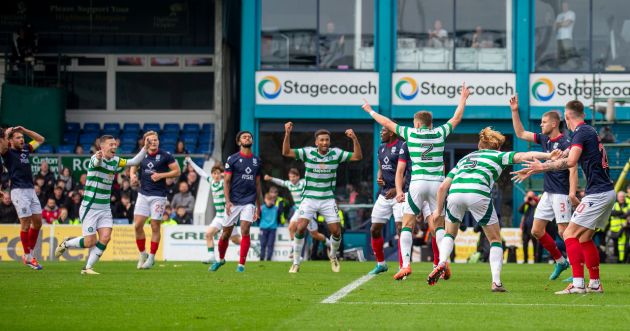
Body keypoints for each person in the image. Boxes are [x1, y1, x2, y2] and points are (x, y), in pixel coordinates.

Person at [429, 127, 560, 291]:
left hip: (455, 194)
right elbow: (523, 156)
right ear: (497, 147)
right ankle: (496, 282)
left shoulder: (465, 159)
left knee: (449, 233)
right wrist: (548, 155)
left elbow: (442, 188)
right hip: (477, 193)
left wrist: (437, 211)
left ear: (479, 146)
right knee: (495, 240)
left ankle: (442, 262)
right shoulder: (498, 155)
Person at [361, 83, 470, 280]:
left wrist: (370, 111)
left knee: (407, 224)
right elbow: (457, 117)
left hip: (417, 183)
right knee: (438, 225)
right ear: (431, 123)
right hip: (437, 185)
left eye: (414, 122)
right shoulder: (440, 133)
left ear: (418, 123)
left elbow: (386, 122)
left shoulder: (410, 134)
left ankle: (407, 265)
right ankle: (443, 262)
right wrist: (463, 98)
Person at [513, 100, 616, 294]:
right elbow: (569, 154)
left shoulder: (580, 132)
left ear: (567, 117)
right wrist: (556, 156)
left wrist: (541, 167)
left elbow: (571, 162)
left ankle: (577, 284)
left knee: (569, 234)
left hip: (598, 193)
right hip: (605, 192)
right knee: (585, 238)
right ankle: (594, 284)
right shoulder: (589, 131)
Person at [55, 135, 150, 274]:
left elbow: (134, 161)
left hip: (105, 208)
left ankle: (87, 268)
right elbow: (97, 162)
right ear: (102, 147)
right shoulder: (95, 158)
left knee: (105, 237)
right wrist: (99, 157)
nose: (114, 146)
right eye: (111, 144)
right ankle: (66, 243)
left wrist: (145, 147)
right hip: (90, 207)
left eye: (115, 144)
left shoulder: (116, 160)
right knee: (89, 242)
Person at [510, 95, 577, 278]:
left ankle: (576, 269)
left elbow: (572, 168)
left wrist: (572, 192)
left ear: (554, 124)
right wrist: (515, 111)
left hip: (562, 193)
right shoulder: (545, 140)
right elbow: (521, 134)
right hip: (548, 193)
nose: (541, 125)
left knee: (564, 232)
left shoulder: (566, 143)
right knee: (536, 230)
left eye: (544, 122)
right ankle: (561, 262)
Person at [283, 122, 362, 273]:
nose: (324, 142)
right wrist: (287, 133)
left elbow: (357, 156)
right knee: (300, 228)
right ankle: (296, 262)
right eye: (322, 140)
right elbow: (286, 152)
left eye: (327, 140)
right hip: (309, 198)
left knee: (336, 232)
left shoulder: (336, 153)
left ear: (329, 142)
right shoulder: (308, 153)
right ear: (316, 142)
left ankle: (333, 256)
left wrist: (354, 139)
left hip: (327, 199)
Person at [210, 131, 263, 273]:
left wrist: (259, 206)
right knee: (225, 234)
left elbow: (258, 185)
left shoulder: (257, 160)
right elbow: (226, 182)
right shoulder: (232, 159)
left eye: (250, 137)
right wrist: (227, 202)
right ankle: (221, 259)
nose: (248, 138)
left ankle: (241, 265)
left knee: (245, 229)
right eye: (244, 137)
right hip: (234, 201)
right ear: (239, 141)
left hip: (249, 201)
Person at [130, 131, 181, 269]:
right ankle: (143, 254)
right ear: (145, 142)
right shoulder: (142, 154)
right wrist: (132, 175)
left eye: (155, 140)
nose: (153, 142)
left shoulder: (166, 155)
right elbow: (134, 164)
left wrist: (161, 175)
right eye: (150, 140)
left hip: (158, 196)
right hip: (143, 194)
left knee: (154, 226)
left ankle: (152, 257)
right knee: (137, 225)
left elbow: (177, 171)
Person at [2, 126, 45, 270]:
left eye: (22, 137)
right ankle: (28, 256)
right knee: (25, 223)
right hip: (18, 190)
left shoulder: (26, 148)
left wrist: (25, 130)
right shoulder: (7, 152)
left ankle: (29, 255)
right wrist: (7, 135)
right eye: (18, 138)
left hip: (30, 190)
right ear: (11, 141)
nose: (22, 140)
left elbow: (41, 139)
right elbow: (2, 146)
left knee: (38, 223)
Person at [367, 127, 408, 275]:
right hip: (384, 194)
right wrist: (380, 176)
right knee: (374, 229)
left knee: (400, 229)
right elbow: (380, 166)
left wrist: (398, 189)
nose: (380, 133)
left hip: (399, 195)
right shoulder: (381, 147)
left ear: (391, 132)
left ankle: (403, 266)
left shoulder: (403, 146)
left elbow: (406, 171)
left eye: (383, 131)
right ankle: (381, 264)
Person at [185, 158, 241, 266]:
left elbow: (233, 178)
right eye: (214, 173)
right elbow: (201, 172)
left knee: (235, 240)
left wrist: (225, 174)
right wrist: (191, 161)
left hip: (228, 216)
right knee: (208, 234)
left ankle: (252, 246)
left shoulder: (223, 183)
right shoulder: (211, 181)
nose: (215, 175)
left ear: (221, 174)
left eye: (218, 173)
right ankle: (211, 257)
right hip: (219, 216)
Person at [264, 169, 328, 259]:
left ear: (298, 176)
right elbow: (281, 182)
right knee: (291, 228)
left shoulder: (303, 183)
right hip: (298, 210)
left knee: (314, 234)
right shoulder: (289, 184)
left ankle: (328, 242)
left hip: (308, 211)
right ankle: (295, 250)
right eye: (290, 177)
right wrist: (270, 178)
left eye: (294, 177)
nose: (292, 179)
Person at [519, 191, 540, 264]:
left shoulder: (537, 204)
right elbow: (520, 210)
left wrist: (535, 203)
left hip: (533, 228)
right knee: (525, 244)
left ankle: (536, 260)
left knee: (535, 245)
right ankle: (525, 260)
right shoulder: (526, 205)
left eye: (531, 197)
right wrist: (526, 202)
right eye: (529, 197)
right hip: (526, 228)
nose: (530, 199)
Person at [609, 191, 629, 263]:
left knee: (624, 245)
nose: (621, 198)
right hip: (614, 229)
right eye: (620, 197)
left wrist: (618, 214)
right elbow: (611, 213)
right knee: (615, 246)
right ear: (617, 197)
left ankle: (623, 260)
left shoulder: (628, 204)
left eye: (623, 197)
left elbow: (627, 214)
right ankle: (617, 260)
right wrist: (622, 213)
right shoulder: (614, 204)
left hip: (625, 228)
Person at [259, 192, 279, 261]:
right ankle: (261, 257)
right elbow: (258, 218)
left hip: (272, 228)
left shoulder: (276, 208)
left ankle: (269, 258)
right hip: (263, 228)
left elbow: (279, 217)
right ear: (265, 199)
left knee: (270, 244)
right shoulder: (261, 208)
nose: (269, 201)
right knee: (262, 244)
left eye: (271, 200)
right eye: (268, 199)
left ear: (273, 200)